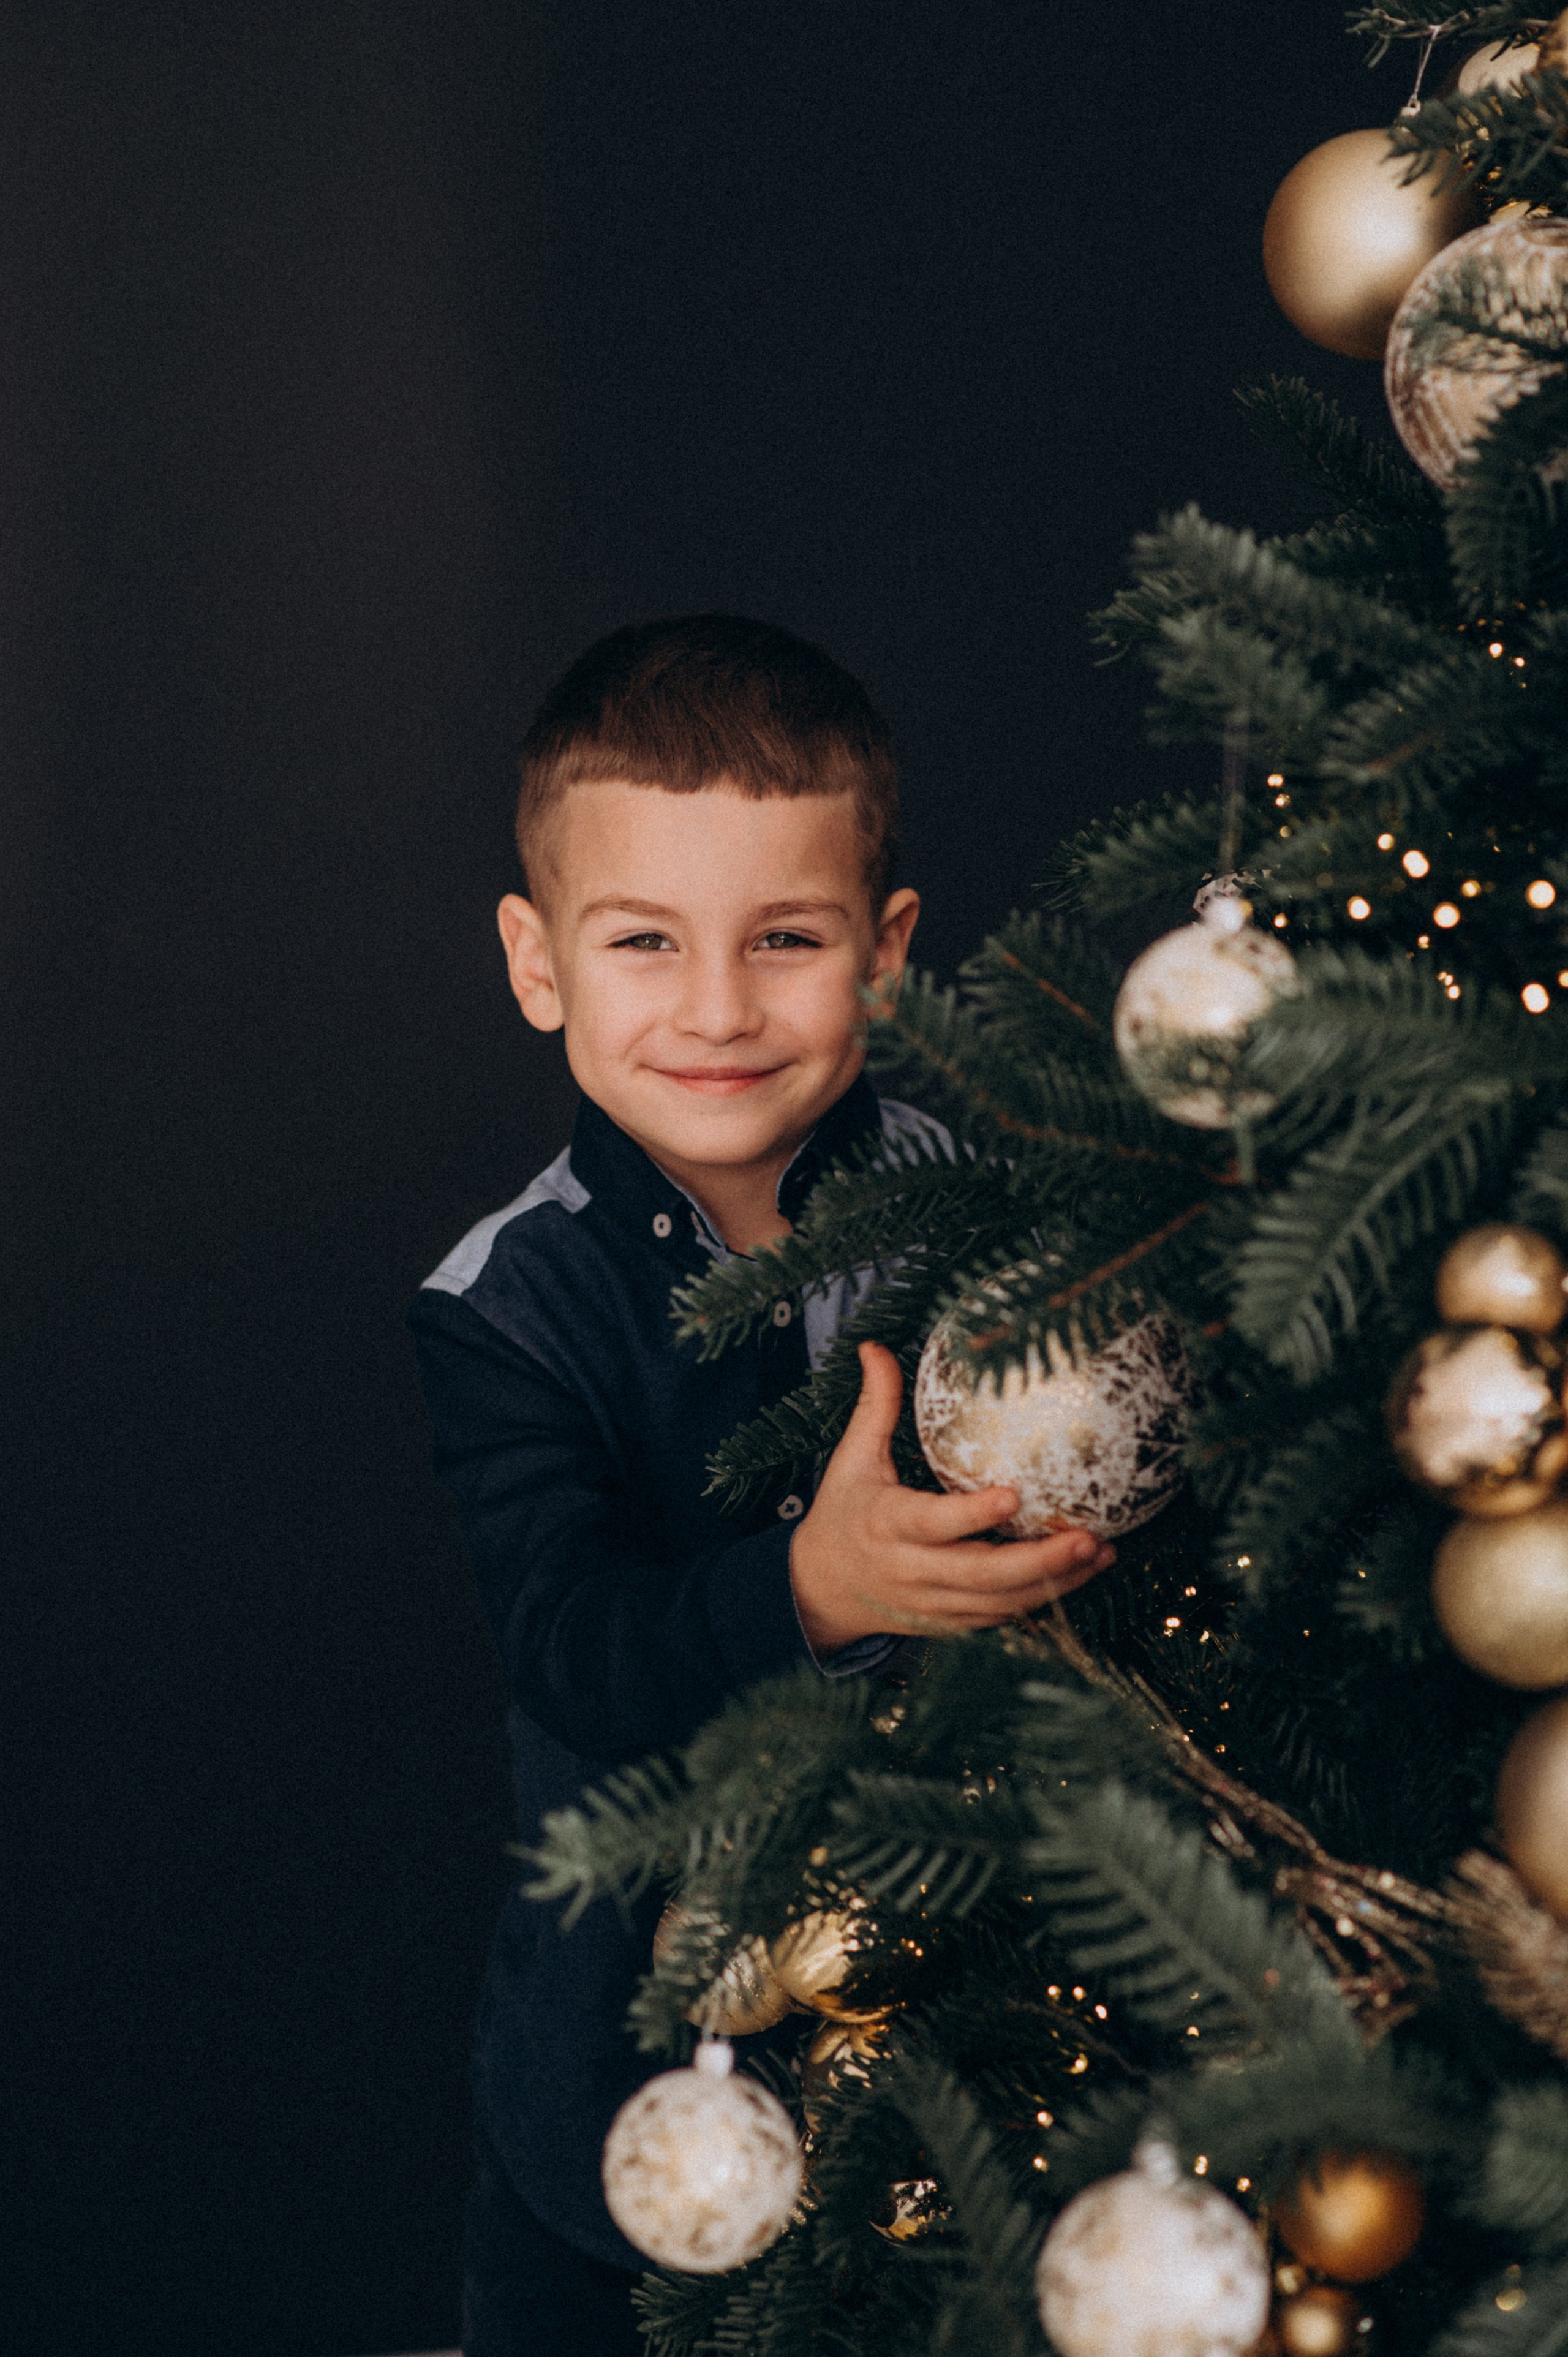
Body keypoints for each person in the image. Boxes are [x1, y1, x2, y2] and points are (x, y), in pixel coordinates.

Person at [407, 614, 1115, 2355]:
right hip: (626, 2067)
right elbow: (570, 1644)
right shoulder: (508, 1306)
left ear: (887, 956)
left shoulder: (980, 1217)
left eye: (785, 939)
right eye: (644, 941)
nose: (718, 1009)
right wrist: (816, 1591)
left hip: (958, 2035)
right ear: (538, 963)